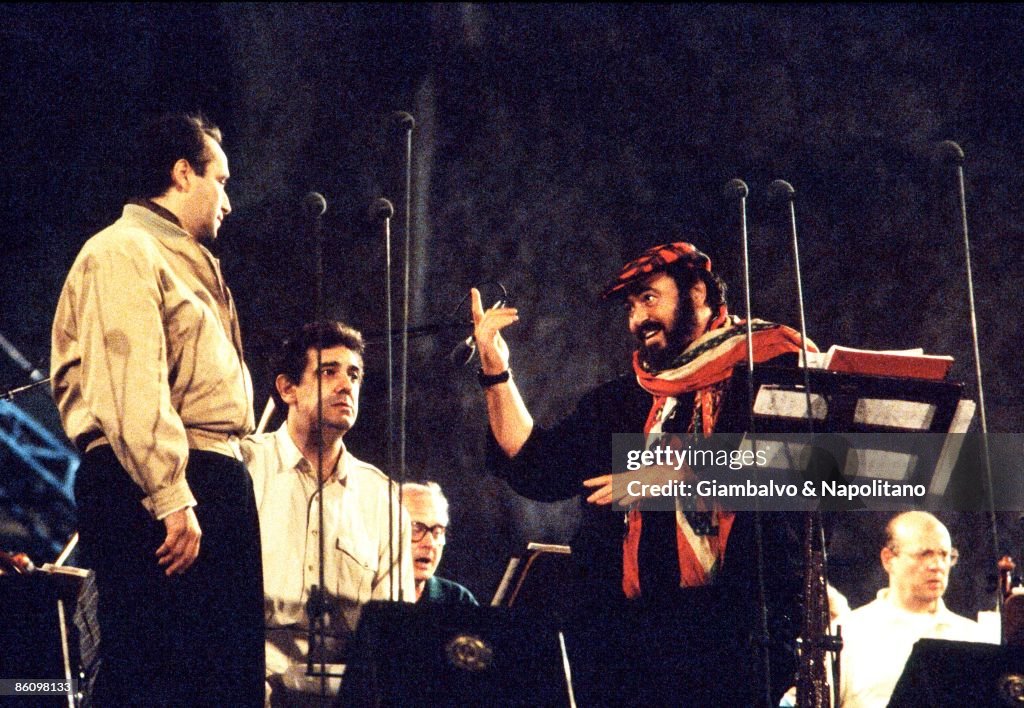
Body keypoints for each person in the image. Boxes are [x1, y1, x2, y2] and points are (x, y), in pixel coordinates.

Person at [471, 241, 814, 705]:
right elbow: (536, 465)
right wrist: (496, 370)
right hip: (630, 649)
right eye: (631, 308)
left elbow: (824, 467)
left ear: (698, 293)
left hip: (740, 638)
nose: (638, 319)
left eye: (650, 298)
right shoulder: (622, 402)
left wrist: (675, 473)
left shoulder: (771, 368)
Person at [51, 112, 264, 705]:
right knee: (157, 675)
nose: (228, 199)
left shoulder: (186, 258)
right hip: (160, 484)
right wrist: (170, 495)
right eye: (220, 180)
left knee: (221, 682)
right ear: (181, 173)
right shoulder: (122, 251)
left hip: (209, 480)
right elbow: (132, 386)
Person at [242, 321, 414, 705]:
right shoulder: (244, 469)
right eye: (328, 372)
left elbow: (392, 635)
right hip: (243, 682)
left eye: (354, 374)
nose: (346, 385)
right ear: (288, 389)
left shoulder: (382, 501)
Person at [836, 511, 994, 708]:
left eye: (945, 555)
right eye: (924, 554)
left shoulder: (974, 637)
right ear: (888, 559)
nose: (937, 566)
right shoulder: (848, 633)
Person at [400, 481, 478, 605]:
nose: (430, 543)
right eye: (416, 529)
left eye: (437, 531)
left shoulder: (459, 601)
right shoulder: (363, 596)